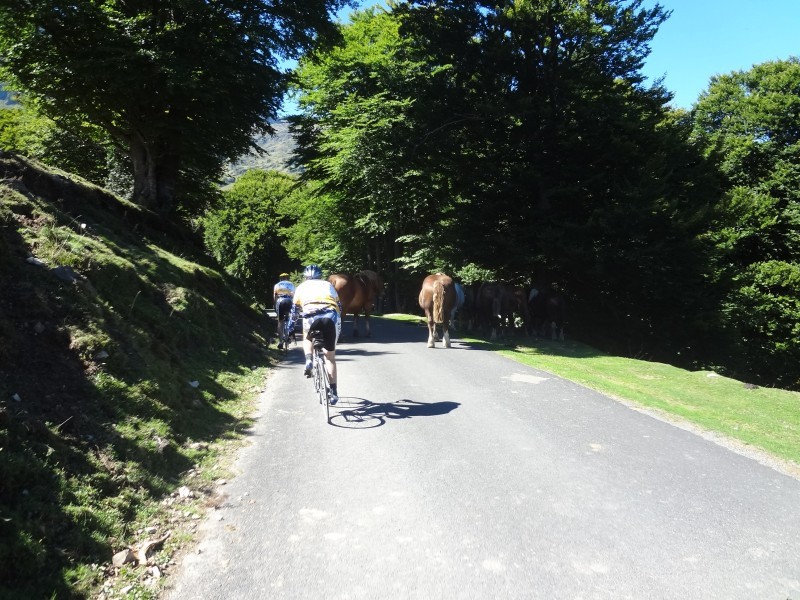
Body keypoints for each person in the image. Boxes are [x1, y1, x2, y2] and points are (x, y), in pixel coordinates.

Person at [287, 264, 342, 404]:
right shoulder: (328, 285)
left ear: (306, 276)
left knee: (307, 336)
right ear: (320, 275)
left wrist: (290, 327)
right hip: (331, 317)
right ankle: (334, 393)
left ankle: (309, 359)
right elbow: (339, 306)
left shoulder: (301, 287)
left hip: (310, 317)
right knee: (330, 358)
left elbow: (294, 312)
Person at [273, 272, 296, 350]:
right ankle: (289, 335)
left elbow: (275, 296)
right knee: (291, 318)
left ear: (280, 278)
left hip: (280, 301)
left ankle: (280, 342)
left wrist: (275, 306)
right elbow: (294, 296)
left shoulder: (277, 285)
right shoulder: (291, 284)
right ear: (288, 278)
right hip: (289, 301)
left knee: (280, 321)